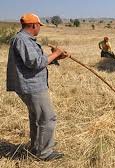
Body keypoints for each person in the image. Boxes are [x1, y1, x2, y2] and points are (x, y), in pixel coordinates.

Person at [6, 13, 68, 161]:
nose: (39, 28)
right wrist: (57, 53)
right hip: (32, 86)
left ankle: (37, 146)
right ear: (34, 25)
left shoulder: (24, 40)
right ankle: (44, 153)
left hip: (30, 85)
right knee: (47, 117)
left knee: (37, 117)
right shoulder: (22, 40)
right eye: (39, 26)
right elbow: (35, 63)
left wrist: (55, 57)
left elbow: (35, 62)